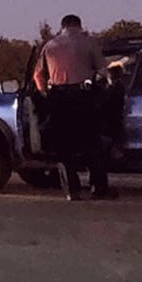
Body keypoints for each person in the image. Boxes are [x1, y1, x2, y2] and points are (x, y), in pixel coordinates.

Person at [33, 14, 115, 201]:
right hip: (83, 97)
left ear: (62, 26)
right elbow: (103, 72)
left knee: (63, 146)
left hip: (58, 98)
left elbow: (38, 76)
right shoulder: (89, 43)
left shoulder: (50, 46)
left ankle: (71, 190)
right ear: (79, 25)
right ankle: (98, 188)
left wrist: (46, 94)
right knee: (92, 142)